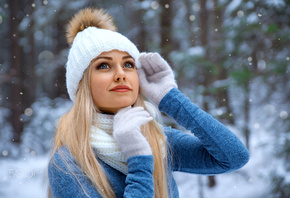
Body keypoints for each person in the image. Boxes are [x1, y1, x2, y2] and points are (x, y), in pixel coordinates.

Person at [48, 7, 250, 198]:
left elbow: (233, 156)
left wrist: (170, 98)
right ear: (82, 85)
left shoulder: (155, 139)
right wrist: (138, 158)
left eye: (128, 64)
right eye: (104, 66)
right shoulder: (68, 163)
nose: (120, 75)